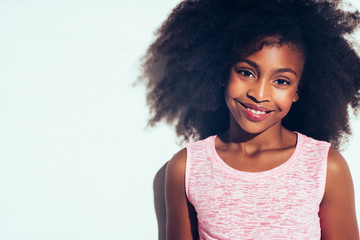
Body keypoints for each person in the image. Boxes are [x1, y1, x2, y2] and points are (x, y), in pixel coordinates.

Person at [140, 0, 360, 239]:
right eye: (246, 72)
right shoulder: (187, 168)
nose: (259, 94)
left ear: (298, 91)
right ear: (223, 71)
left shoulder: (325, 167)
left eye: (281, 81)